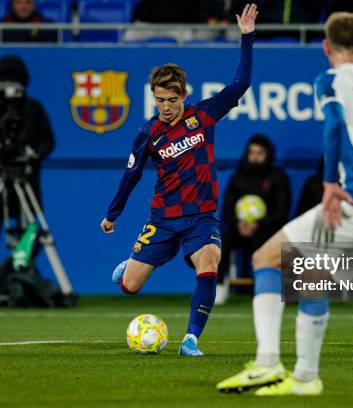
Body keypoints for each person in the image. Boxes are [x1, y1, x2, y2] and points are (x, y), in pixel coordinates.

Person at [217, 12, 353, 396]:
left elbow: (333, 123)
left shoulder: (330, 79)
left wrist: (330, 182)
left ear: (326, 47)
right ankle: (304, 378)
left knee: (265, 259)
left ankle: (266, 364)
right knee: (311, 276)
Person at [101, 3, 258, 357]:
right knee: (130, 287)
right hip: (163, 218)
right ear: (153, 97)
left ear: (184, 95)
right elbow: (131, 176)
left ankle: (191, 339)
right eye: (159, 100)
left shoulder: (204, 115)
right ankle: (129, 268)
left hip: (201, 216)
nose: (166, 106)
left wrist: (247, 38)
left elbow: (240, 85)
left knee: (209, 263)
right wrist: (113, 215)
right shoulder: (148, 132)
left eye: (172, 99)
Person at [0, 55, 55, 277]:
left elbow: (48, 141)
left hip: (25, 182)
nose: (9, 85)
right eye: (4, 80)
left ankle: (24, 281)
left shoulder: (33, 108)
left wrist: (34, 154)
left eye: (14, 80)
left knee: (29, 236)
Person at [216, 134, 291, 305]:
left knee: (266, 242)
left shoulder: (278, 177)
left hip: (267, 230)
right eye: (251, 152)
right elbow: (227, 209)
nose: (255, 157)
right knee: (221, 241)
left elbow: (282, 212)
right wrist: (239, 223)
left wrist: (258, 225)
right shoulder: (237, 177)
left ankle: (266, 290)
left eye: (260, 153)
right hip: (239, 230)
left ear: (268, 154)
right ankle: (219, 287)